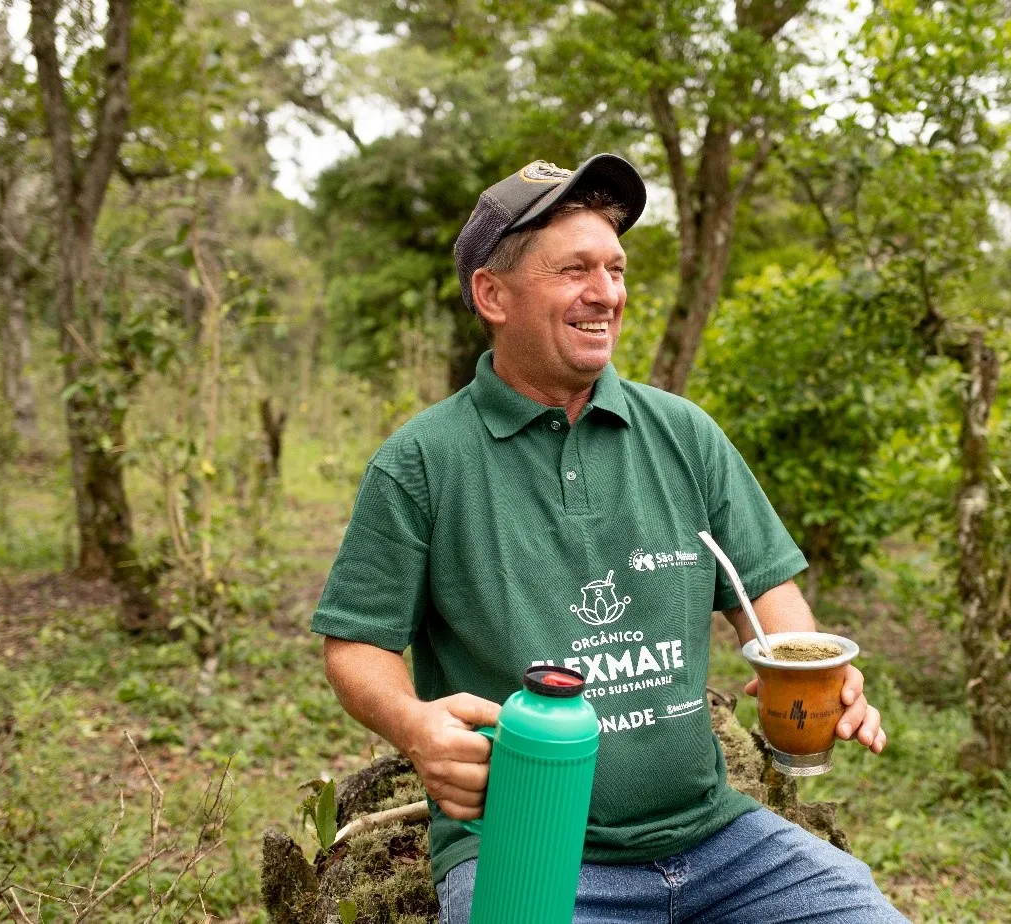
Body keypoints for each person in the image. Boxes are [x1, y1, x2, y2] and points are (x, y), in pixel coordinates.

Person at [312, 153, 910, 923]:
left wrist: (810, 669)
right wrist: (415, 724)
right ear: (491, 295)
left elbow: (767, 594)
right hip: (526, 845)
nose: (606, 294)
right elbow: (355, 645)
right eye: (574, 271)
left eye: (616, 269)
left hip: (722, 840)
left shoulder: (683, 434)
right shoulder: (422, 463)